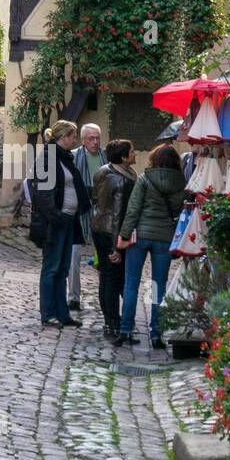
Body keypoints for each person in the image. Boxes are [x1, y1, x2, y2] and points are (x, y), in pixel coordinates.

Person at [116, 143, 187, 349]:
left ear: (154, 159)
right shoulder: (181, 183)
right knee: (158, 287)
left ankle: (126, 329)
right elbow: (179, 212)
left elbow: (133, 210)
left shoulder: (145, 179)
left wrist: (124, 234)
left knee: (131, 284)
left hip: (140, 236)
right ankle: (156, 334)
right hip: (164, 237)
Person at [31, 119, 90, 329]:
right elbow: (43, 194)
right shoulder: (47, 159)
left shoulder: (65, 158)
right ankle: (48, 313)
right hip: (55, 222)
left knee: (63, 268)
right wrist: (56, 217)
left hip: (68, 220)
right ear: (63, 137)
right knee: (51, 268)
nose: (75, 140)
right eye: (73, 136)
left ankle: (62, 313)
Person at [92, 139, 137, 339]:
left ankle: (109, 322)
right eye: (132, 151)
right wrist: (116, 248)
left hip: (98, 228)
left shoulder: (103, 170)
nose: (135, 154)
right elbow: (118, 214)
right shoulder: (123, 180)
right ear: (124, 157)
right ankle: (114, 323)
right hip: (112, 233)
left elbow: (96, 200)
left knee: (105, 277)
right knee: (113, 279)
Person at [68, 123, 103, 311]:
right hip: (78, 211)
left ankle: (104, 293)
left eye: (98, 138)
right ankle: (73, 296)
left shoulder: (106, 156)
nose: (95, 142)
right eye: (91, 138)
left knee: (103, 255)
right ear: (83, 140)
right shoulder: (74, 156)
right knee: (74, 255)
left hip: (101, 211)